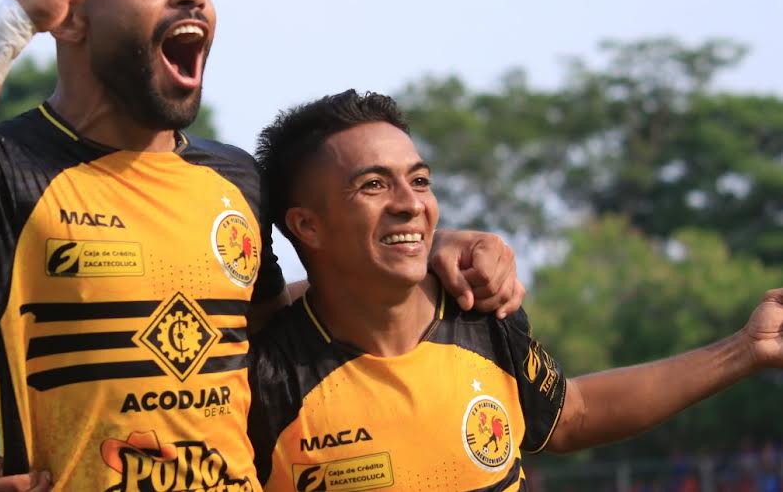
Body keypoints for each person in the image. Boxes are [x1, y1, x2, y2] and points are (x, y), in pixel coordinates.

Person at [0, 0, 523, 490]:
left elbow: (257, 321)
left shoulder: (234, 177)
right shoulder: (12, 168)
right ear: (70, 18)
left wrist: (425, 256)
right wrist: (11, 22)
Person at [245, 89, 783, 491]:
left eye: (420, 180)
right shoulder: (264, 376)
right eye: (374, 185)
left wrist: (746, 349)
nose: (411, 203)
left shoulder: (481, 313)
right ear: (307, 226)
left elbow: (573, 415)